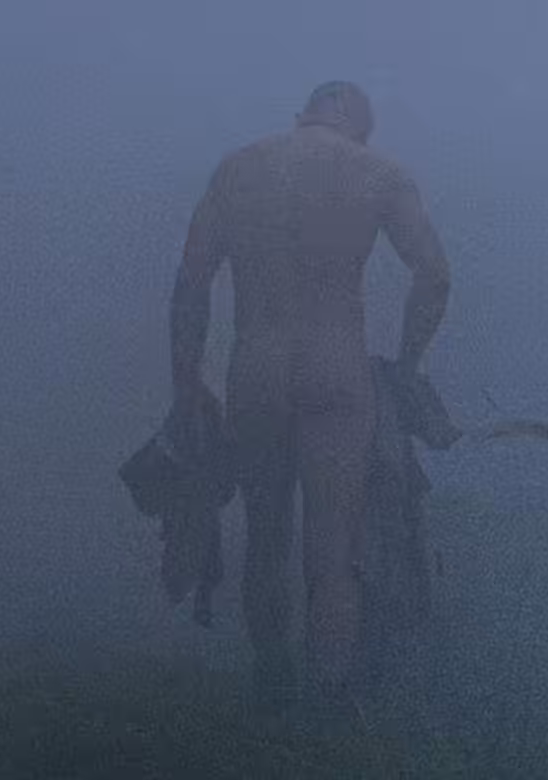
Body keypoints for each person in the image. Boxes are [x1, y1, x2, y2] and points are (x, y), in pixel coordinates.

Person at [167, 81, 451, 716]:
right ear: (358, 126)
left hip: (256, 369)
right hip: (337, 370)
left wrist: (186, 385)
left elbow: (191, 282)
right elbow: (435, 275)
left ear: (305, 113)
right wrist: (407, 365)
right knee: (333, 556)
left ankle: (273, 688)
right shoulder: (379, 172)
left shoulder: (238, 168)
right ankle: (327, 707)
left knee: (265, 542)